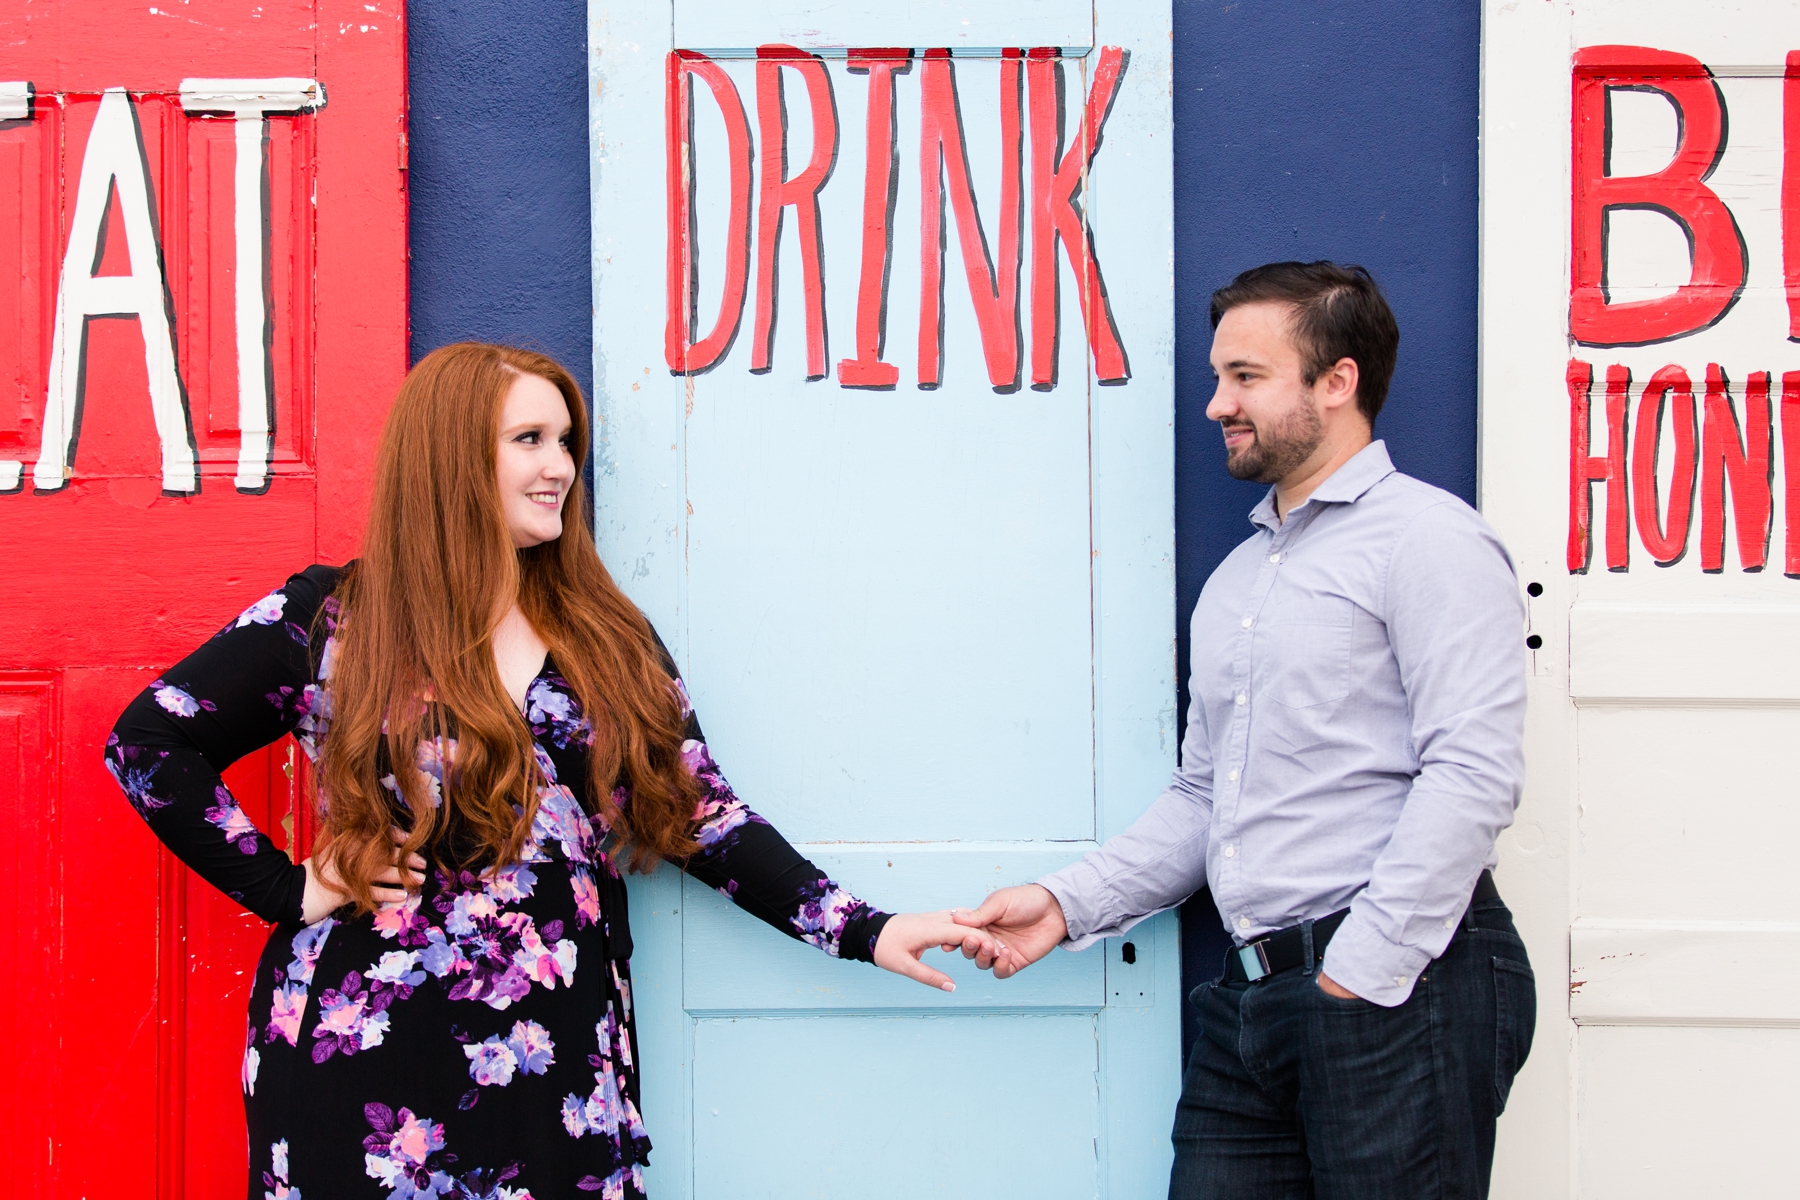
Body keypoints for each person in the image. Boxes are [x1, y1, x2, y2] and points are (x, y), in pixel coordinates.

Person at [107, 343, 994, 1199]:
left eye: (565, 441)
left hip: (556, 1062)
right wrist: (286, 887)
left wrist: (866, 929)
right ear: (453, 458)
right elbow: (149, 741)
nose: (560, 466)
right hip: (368, 1061)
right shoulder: (335, 619)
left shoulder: (603, 634)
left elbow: (698, 815)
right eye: (528, 440)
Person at [954, 262, 1536, 1199]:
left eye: (1246, 378)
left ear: (1337, 382)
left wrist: (1363, 970)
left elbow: (1472, 768)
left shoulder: (1429, 540)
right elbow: (1202, 796)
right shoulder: (1239, 582)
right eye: (1219, 378)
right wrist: (1064, 904)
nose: (1217, 404)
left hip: (1395, 985)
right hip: (1250, 1000)